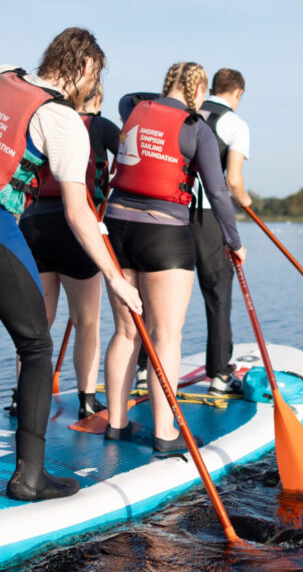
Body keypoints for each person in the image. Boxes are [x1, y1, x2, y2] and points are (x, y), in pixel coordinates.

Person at [0, 28, 142, 501]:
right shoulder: (62, 120)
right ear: (84, 71)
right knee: (37, 345)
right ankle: (30, 476)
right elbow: (79, 214)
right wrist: (117, 280)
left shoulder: (0, 75)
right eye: (94, 76)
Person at [102, 62, 245, 452]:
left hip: (115, 230)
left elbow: (126, 97)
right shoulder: (196, 129)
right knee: (166, 335)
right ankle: (165, 434)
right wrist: (233, 241)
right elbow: (217, 193)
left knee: (126, 331)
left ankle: (116, 424)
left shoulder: (133, 111)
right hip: (164, 233)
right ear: (199, 92)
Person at [17, 86, 121, 419]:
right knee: (87, 321)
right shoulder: (101, 127)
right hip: (75, 224)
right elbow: (132, 158)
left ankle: (23, 398)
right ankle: (87, 400)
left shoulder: (48, 120)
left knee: (36, 325)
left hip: (33, 224)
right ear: (98, 99)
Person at [191, 68, 252, 395]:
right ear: (238, 93)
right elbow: (232, 180)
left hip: (170, 213)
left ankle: (144, 370)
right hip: (208, 216)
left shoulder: (189, 112)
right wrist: (243, 200)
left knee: (159, 295)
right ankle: (219, 375)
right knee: (218, 293)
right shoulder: (235, 124)